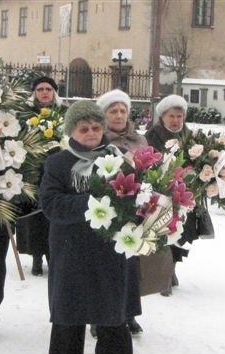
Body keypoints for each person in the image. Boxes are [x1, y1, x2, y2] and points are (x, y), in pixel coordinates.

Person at [40, 100, 140, 354]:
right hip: (72, 248)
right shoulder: (58, 163)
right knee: (70, 312)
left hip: (112, 252)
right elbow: (51, 204)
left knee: (114, 317)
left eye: (96, 127)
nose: (91, 133)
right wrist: (91, 203)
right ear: (72, 130)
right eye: (84, 128)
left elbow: (136, 197)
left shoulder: (121, 160)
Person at [145, 94, 214, 293]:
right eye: (171, 116)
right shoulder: (153, 136)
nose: (176, 121)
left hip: (186, 195)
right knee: (164, 232)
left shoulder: (190, 137)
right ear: (163, 117)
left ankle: (172, 268)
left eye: (179, 116)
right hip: (162, 195)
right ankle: (164, 275)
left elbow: (200, 160)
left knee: (182, 234)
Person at [92, 89, 146, 336]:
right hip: (106, 212)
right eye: (113, 111)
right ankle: (98, 316)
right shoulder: (98, 140)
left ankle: (130, 313)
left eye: (123, 110)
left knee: (130, 266)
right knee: (103, 267)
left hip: (133, 212)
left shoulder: (140, 141)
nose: (119, 115)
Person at [16, 76, 66, 276]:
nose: (44, 92)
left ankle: (52, 254)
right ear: (34, 93)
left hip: (57, 171)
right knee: (35, 215)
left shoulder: (63, 113)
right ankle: (37, 255)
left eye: (48, 89)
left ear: (54, 92)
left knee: (53, 214)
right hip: (33, 170)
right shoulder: (26, 114)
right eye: (40, 89)